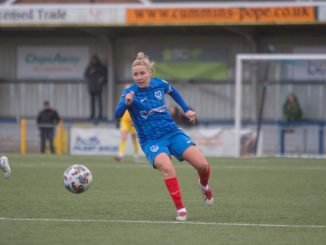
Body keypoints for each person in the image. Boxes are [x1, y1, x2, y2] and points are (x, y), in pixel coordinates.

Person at [114, 52, 214, 221]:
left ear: (149, 73)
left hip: (172, 132)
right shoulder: (129, 93)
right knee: (167, 167)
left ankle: (203, 185)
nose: (139, 77)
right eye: (135, 74)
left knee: (203, 166)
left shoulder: (159, 84)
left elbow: (173, 91)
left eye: (142, 73)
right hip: (152, 140)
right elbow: (117, 114)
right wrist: (126, 103)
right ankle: (181, 209)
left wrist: (186, 109)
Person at [114, 84, 140, 161]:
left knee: (134, 139)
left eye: (128, 89)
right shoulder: (123, 98)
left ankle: (136, 153)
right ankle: (120, 154)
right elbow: (119, 110)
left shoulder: (135, 99)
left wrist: (135, 119)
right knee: (123, 137)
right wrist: (118, 120)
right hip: (125, 121)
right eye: (125, 89)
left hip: (133, 122)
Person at [84, 54, 107, 120]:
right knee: (92, 102)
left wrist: (103, 78)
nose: (94, 61)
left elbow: (106, 76)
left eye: (95, 60)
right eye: (93, 60)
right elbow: (85, 75)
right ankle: (92, 115)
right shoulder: (89, 67)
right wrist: (90, 72)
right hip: (92, 87)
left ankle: (100, 115)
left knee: (99, 102)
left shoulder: (101, 67)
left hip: (99, 87)